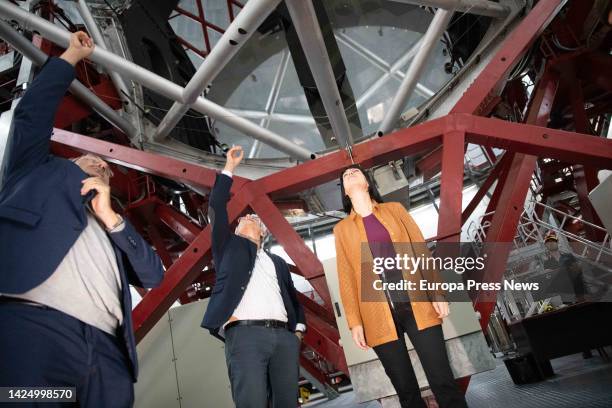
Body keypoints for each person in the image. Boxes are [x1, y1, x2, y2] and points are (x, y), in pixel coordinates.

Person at [0, 32, 164, 407]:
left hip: (106, 356)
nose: (101, 165)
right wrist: (72, 56)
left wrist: (112, 219)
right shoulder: (34, 173)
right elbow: (31, 115)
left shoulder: (113, 225)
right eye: (91, 162)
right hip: (34, 333)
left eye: (105, 167)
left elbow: (154, 276)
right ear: (70, 163)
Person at [333, 164, 468, 408]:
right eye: (345, 175)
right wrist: (354, 322)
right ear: (344, 191)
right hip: (376, 314)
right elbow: (346, 278)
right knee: (406, 391)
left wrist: (436, 293)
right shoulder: (341, 230)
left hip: (417, 303)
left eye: (355, 172)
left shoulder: (394, 210)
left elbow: (420, 250)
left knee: (443, 380)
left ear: (367, 182)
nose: (349, 174)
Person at [201, 145, 306, 408]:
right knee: (252, 401)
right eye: (242, 218)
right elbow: (216, 206)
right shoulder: (228, 248)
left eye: (252, 218)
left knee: (288, 403)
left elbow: (293, 300)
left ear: (262, 232)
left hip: (284, 338)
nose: (246, 217)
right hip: (246, 336)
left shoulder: (278, 262)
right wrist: (229, 169)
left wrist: (298, 332)